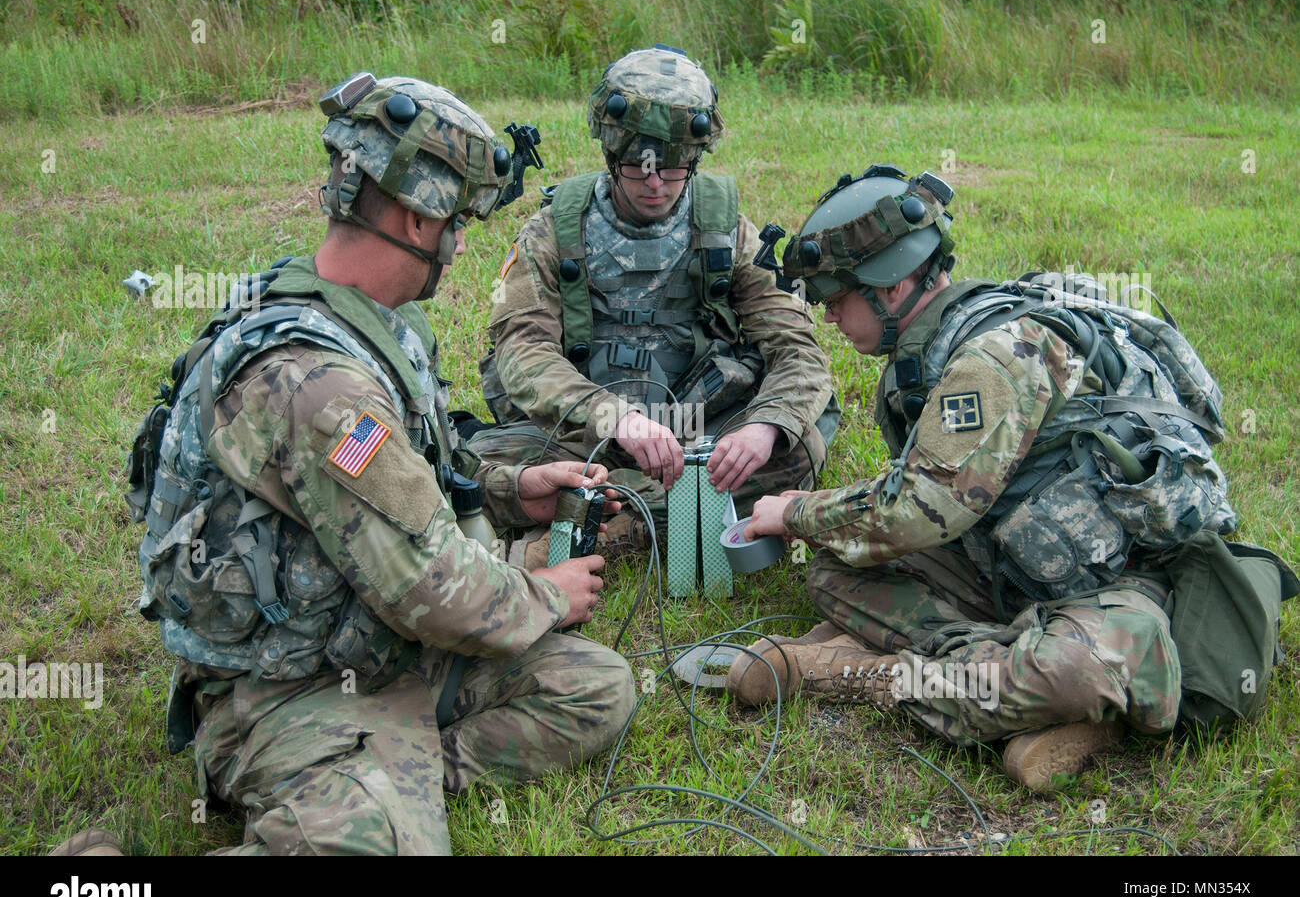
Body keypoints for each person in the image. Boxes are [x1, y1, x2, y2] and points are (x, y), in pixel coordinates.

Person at [56, 74, 634, 856]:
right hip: (292, 686)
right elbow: (428, 586)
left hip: (385, 649)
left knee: (597, 688)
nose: (460, 244)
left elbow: (414, 484)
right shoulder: (319, 386)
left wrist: (511, 489)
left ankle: (398, 781)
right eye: (458, 220)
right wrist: (544, 595)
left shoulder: (370, 324)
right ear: (411, 214)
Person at [726, 163, 1246, 792]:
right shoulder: (942, 340)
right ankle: (1018, 675)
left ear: (888, 288)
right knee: (835, 569)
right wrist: (821, 524)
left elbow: (917, 509)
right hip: (1013, 565)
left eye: (836, 299)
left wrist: (798, 512)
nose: (831, 319)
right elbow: (928, 500)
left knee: (1068, 673)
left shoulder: (994, 358)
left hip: (1125, 583)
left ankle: (845, 670)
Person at [469, 45, 840, 549]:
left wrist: (764, 428)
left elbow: (795, 346)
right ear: (611, 151)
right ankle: (675, 515)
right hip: (584, 432)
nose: (654, 183)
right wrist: (616, 418)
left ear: (693, 158)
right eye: (637, 166)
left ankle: (604, 515)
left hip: (697, 427)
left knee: (799, 448)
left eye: (672, 168)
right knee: (473, 462)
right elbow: (522, 353)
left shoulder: (723, 227)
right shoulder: (554, 231)